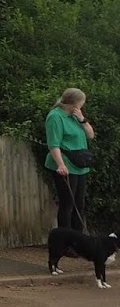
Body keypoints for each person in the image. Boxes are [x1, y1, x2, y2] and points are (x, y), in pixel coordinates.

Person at [45, 88, 95, 230]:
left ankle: (78, 238)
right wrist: (61, 165)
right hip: (65, 164)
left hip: (80, 165)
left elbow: (90, 135)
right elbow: (53, 144)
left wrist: (82, 119)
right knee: (67, 205)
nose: (82, 106)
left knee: (79, 205)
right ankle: (65, 239)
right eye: (81, 104)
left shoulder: (75, 116)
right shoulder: (55, 117)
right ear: (74, 104)